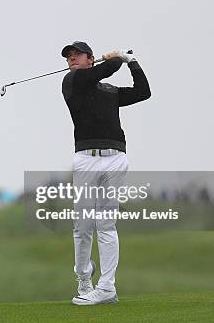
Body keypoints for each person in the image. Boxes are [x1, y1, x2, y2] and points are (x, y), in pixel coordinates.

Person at [60, 41, 151, 305]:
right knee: (83, 226)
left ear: (90, 58)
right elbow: (105, 70)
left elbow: (143, 92)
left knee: (106, 224)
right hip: (86, 160)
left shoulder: (109, 91)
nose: (72, 59)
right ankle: (83, 277)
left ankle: (107, 287)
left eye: (77, 55)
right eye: (69, 57)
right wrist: (117, 58)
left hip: (115, 159)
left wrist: (131, 62)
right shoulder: (72, 81)